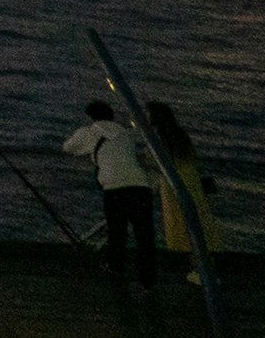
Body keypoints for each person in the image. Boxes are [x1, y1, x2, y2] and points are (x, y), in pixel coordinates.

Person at [65, 99, 159, 285]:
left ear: (92, 117)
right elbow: (143, 134)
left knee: (117, 230)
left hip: (114, 187)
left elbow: (68, 147)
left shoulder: (89, 133)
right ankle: (148, 277)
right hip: (140, 186)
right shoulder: (125, 133)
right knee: (144, 234)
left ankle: (116, 267)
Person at [147, 101, 221, 278]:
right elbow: (192, 157)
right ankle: (207, 269)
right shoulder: (181, 134)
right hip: (191, 180)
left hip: (173, 185)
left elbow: (154, 162)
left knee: (182, 227)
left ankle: (201, 273)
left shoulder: (158, 139)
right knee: (199, 223)